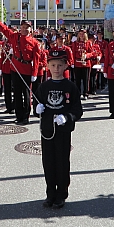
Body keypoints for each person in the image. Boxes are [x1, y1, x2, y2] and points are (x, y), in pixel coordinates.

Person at [34, 49, 82, 209]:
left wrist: (67, 117)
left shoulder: (70, 87)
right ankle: (50, 193)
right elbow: (37, 103)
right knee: (48, 163)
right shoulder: (43, 86)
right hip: (47, 131)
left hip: (62, 131)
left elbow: (77, 110)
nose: (56, 68)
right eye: (53, 65)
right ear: (47, 66)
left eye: (59, 65)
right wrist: (37, 109)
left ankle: (61, 193)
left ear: (65, 66)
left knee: (61, 162)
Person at [0, 12, 41, 126]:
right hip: (15, 69)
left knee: (26, 94)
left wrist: (34, 73)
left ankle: (26, 116)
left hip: (27, 69)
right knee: (17, 93)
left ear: (31, 29)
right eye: (23, 27)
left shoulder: (35, 43)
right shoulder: (15, 36)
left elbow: (37, 59)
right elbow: (4, 29)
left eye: (27, 28)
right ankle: (19, 116)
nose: (24, 30)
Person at [71, 29, 94, 100]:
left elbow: (92, 53)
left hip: (86, 63)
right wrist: (73, 63)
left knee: (86, 79)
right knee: (77, 80)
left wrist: (87, 55)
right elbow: (73, 54)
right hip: (77, 63)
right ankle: (78, 93)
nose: (81, 35)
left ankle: (85, 93)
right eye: (80, 34)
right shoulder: (75, 43)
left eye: (83, 34)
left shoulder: (88, 43)